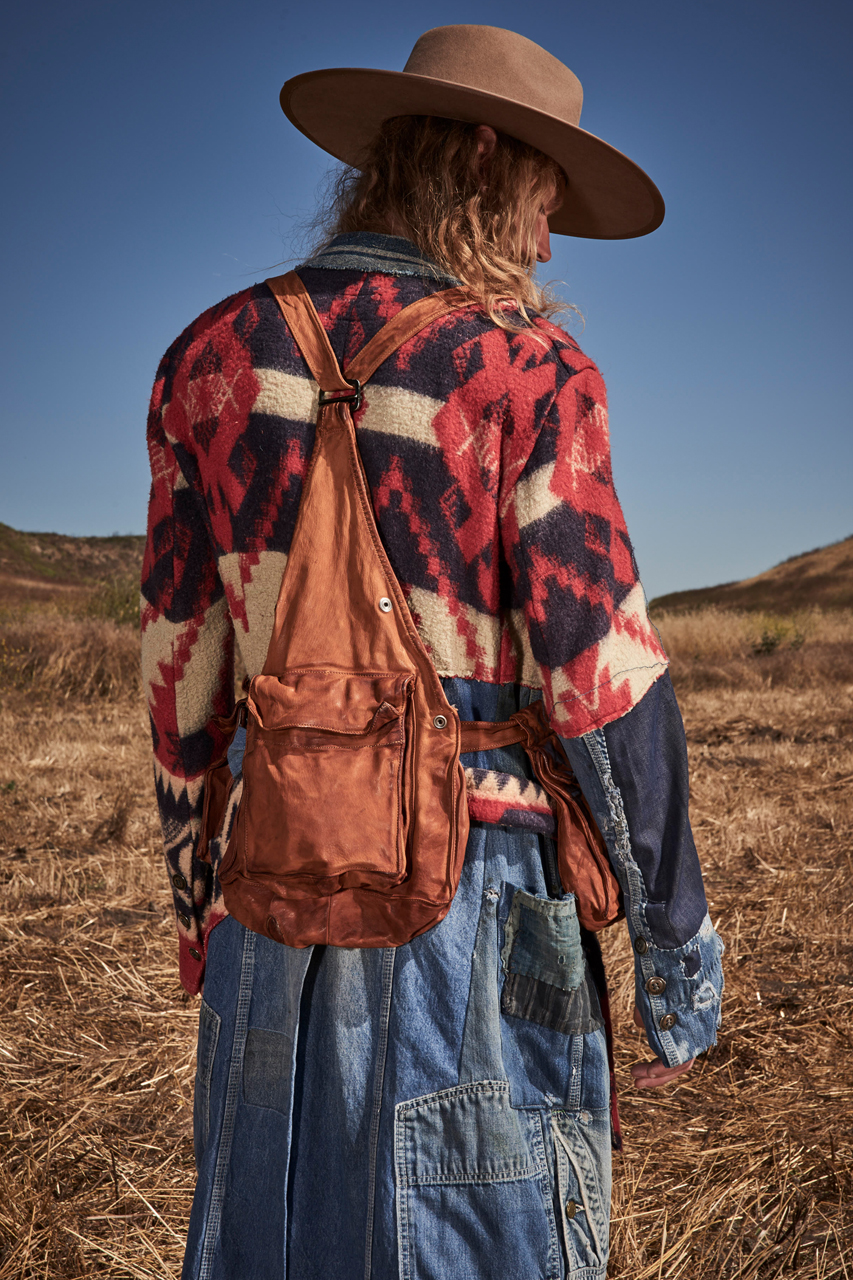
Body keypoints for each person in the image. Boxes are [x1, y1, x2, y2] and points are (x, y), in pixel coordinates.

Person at [141, 24, 723, 1280]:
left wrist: (202, 912)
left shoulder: (207, 360)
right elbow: (605, 680)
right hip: (481, 901)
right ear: (478, 158)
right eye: (540, 197)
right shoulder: (527, 371)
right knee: (487, 1239)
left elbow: (179, 677)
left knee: (264, 1236)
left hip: (270, 903)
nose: (547, 240)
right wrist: (675, 934)